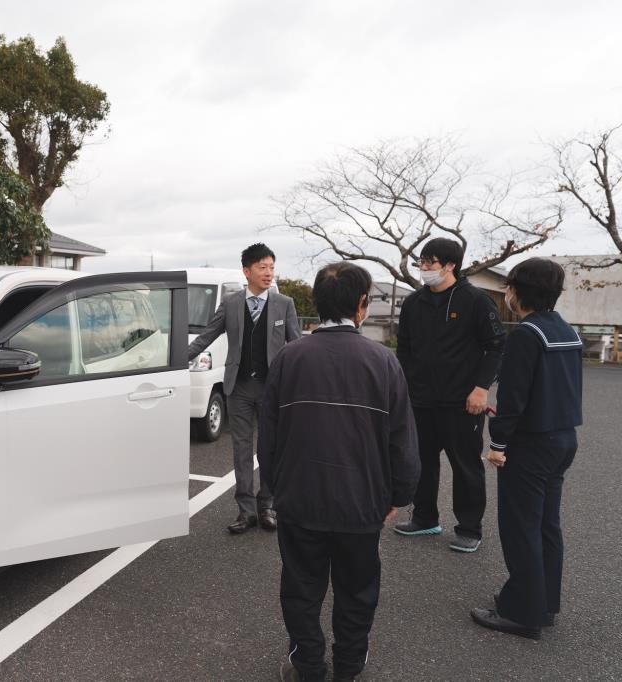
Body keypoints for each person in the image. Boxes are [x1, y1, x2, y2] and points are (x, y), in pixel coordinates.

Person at [259, 262, 420, 682]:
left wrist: (276, 489)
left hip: (301, 499)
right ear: (361, 304)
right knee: (357, 590)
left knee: (301, 588)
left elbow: (268, 435)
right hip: (361, 503)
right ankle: (349, 665)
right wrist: (400, 494)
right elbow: (402, 438)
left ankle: (308, 665)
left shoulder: (289, 358)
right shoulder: (383, 362)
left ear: (317, 302)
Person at [471, 258, 583, 640]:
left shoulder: (526, 334)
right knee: (547, 525)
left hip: (530, 444)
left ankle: (522, 613)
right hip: (563, 436)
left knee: (520, 527)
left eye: (510, 286)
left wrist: (498, 444)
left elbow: (516, 396)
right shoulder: (565, 330)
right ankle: (544, 602)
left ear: (519, 291)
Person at [394, 238, 506, 553]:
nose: (424, 268)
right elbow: (405, 349)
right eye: (421, 262)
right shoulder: (414, 303)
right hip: (421, 399)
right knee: (422, 462)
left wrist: (481, 388)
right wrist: (404, 386)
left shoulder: (475, 300)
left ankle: (469, 528)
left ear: (450, 265)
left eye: (430, 262)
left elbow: (496, 346)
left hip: (464, 402)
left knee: (465, 465)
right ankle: (425, 518)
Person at [188, 242, 301, 534]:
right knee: (240, 449)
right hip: (238, 387)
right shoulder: (231, 304)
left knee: (269, 449)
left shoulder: (284, 304)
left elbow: (297, 345)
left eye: (272, 267)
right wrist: (176, 360)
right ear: (246, 271)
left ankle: (268, 506)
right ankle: (246, 510)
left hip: (271, 388)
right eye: (262, 267)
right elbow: (206, 336)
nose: (268, 273)